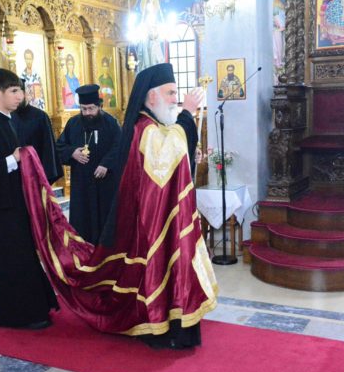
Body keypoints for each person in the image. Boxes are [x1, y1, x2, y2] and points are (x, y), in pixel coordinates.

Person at [17, 63, 217, 349]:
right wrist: (187, 113)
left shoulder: (153, 125)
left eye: (176, 94)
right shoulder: (144, 128)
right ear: (152, 97)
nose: (176, 98)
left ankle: (174, 322)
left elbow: (172, 154)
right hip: (150, 221)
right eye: (171, 93)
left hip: (155, 216)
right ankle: (159, 324)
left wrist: (185, 129)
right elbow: (168, 157)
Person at [0, 68, 58, 329]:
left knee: (23, 259)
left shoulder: (7, 121)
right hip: (0, 212)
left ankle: (33, 310)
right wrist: (13, 159)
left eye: (20, 90)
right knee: (11, 262)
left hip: (15, 206)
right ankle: (15, 316)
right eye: (14, 91)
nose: (21, 96)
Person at [56, 84, 121, 244]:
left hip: (105, 183)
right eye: (83, 109)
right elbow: (59, 146)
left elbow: (120, 147)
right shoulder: (73, 123)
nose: (87, 113)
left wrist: (106, 164)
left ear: (99, 106)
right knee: (83, 221)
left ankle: (105, 252)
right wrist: (72, 152)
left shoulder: (111, 123)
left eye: (91, 108)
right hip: (82, 184)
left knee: (105, 219)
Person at [12, 78, 63, 184]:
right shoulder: (7, 117)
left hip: (35, 175)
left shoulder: (40, 116)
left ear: (26, 94)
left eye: (19, 94)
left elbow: (48, 149)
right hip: (12, 175)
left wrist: (45, 178)